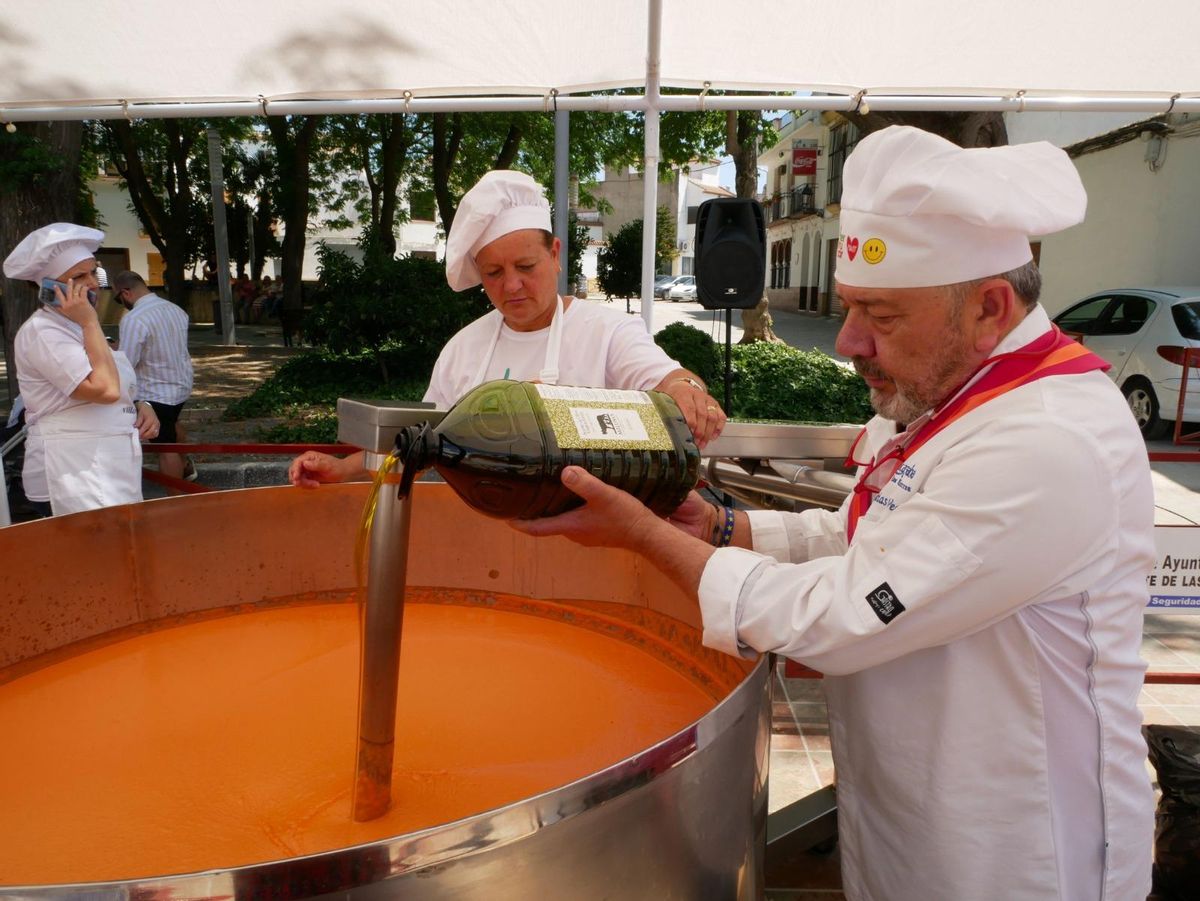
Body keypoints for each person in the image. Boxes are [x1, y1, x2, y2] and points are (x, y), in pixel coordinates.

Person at [515, 126, 1155, 900]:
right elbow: (871, 533)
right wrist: (721, 526)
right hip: (910, 817)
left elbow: (847, 614)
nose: (849, 342)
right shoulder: (938, 390)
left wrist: (645, 535)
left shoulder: (1048, 439)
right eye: (851, 309)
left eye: (880, 317)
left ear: (988, 308)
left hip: (1017, 850)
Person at [290, 170, 725, 488]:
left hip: (590, 543)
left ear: (555, 254)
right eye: (494, 272)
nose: (511, 284)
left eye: (525, 265)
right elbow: (418, 447)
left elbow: (667, 379)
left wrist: (686, 388)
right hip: (483, 537)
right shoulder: (463, 348)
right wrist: (340, 470)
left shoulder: (606, 330)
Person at [3, 224, 159, 516]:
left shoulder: (78, 327)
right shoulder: (44, 331)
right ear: (50, 288)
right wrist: (89, 322)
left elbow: (118, 383)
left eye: (94, 273)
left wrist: (140, 404)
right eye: (78, 277)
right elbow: (105, 390)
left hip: (107, 470)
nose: (92, 283)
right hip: (73, 475)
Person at [111, 270, 195, 483]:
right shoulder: (176, 310)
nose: (121, 304)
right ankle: (185, 465)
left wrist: (111, 354)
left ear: (125, 293)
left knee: (164, 447)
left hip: (154, 390)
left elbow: (127, 362)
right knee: (172, 424)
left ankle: (176, 499)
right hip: (180, 385)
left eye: (117, 299)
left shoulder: (133, 319)